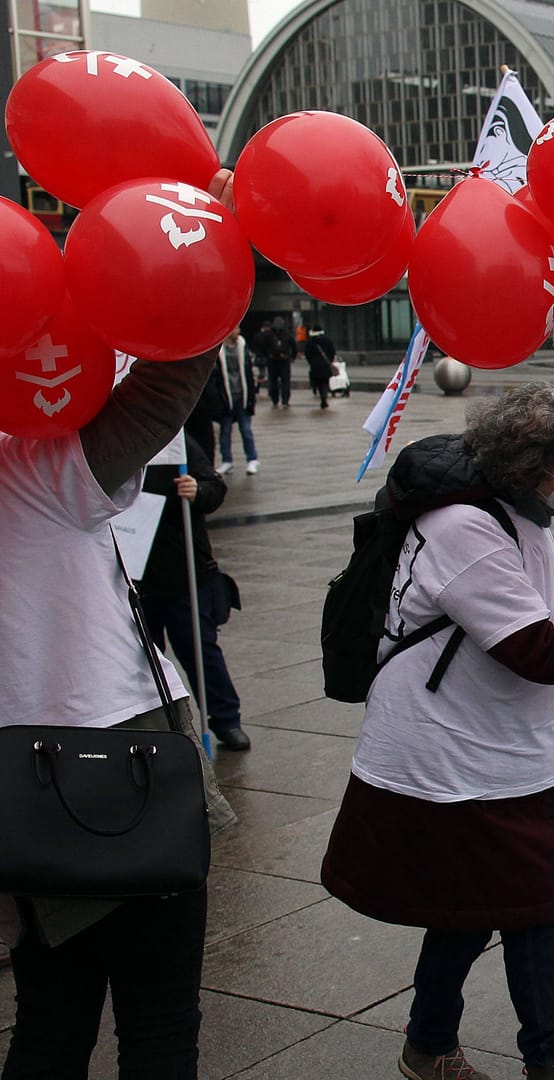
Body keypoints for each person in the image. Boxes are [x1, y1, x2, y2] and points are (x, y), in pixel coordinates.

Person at [320, 383, 554, 1080]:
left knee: (473, 906)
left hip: (499, 744)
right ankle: (550, 1060)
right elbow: (542, 649)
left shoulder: (514, 509)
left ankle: (429, 1042)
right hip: (449, 750)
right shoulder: (462, 528)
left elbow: (545, 588)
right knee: (525, 905)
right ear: (530, 467)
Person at [0, 169, 239, 1080]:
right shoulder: (32, 467)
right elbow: (163, 381)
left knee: (50, 1019)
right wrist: (201, 234)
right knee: (159, 1023)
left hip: (12, 781)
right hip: (120, 756)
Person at [139, 435, 252, 752]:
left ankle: (226, 719)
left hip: (184, 571)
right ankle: (155, 724)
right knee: (143, 658)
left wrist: (197, 490)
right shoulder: (117, 445)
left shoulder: (178, 444)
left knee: (200, 650)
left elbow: (214, 488)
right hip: (136, 574)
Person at [213, 331, 259, 475]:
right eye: (236, 328)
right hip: (226, 396)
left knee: (246, 429)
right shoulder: (219, 349)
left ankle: (252, 459)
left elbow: (248, 372)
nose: (238, 331)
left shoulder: (242, 345)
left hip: (242, 395)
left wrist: (251, 397)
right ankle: (227, 460)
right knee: (225, 431)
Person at [251, 319, 291, 408]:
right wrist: (291, 356)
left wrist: (267, 355)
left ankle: (275, 399)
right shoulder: (286, 334)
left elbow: (262, 346)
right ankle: (285, 400)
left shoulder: (268, 334)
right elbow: (293, 345)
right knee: (285, 381)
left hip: (272, 360)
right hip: (284, 360)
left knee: (273, 381)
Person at [305, 326, 337, 409]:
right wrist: (329, 360)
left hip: (315, 365)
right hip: (325, 364)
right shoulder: (327, 340)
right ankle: (324, 397)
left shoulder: (310, 341)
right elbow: (332, 351)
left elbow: (307, 353)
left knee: (318, 383)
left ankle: (322, 396)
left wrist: (311, 362)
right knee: (325, 382)